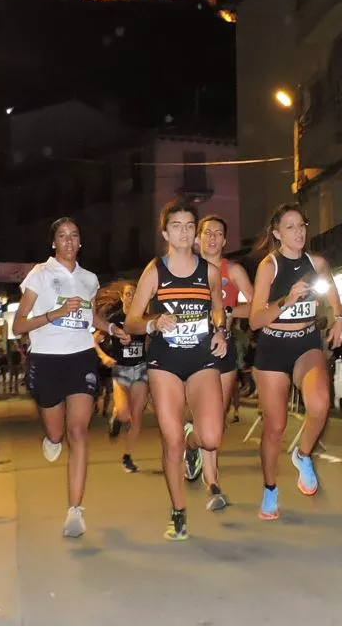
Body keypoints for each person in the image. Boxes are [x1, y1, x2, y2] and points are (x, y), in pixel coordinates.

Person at [124, 201, 230, 540]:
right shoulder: (155, 271)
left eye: (189, 226)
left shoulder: (209, 272)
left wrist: (220, 332)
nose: (183, 232)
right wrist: (153, 321)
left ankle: (193, 443)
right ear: (165, 233)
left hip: (201, 359)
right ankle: (178, 511)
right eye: (176, 226)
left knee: (211, 437)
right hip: (165, 363)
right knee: (171, 442)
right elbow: (131, 321)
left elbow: (218, 310)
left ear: (195, 233)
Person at [11, 217, 121, 538]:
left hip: (81, 357)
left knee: (79, 431)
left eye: (74, 235)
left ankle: (75, 510)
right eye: (62, 236)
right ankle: (52, 438)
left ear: (80, 242)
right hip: (46, 359)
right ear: (54, 243)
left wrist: (111, 328)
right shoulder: (40, 274)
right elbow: (18, 325)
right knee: (58, 433)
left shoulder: (89, 279)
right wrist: (54, 314)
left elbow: (91, 316)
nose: (69, 241)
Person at [247, 204, 342, 520]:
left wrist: (340, 318)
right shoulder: (269, 266)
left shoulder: (317, 263)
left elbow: (332, 294)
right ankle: (270, 490)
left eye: (301, 225)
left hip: (306, 342)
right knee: (275, 427)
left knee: (320, 404)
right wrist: (286, 300)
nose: (298, 232)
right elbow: (255, 320)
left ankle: (303, 455)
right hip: (273, 346)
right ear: (277, 233)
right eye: (290, 227)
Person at [195, 214, 255, 511]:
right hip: (191, 347)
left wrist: (229, 310)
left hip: (222, 346)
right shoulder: (186, 268)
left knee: (215, 416)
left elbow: (256, 306)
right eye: (207, 233)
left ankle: (212, 482)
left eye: (218, 233)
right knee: (198, 416)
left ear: (225, 240)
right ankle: (194, 447)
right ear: (198, 238)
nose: (212, 238)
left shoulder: (233, 270)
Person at [93, 283, 149, 472]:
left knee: (136, 418)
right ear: (122, 297)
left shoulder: (142, 318)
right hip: (121, 370)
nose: (131, 297)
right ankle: (117, 416)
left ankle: (127, 456)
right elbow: (94, 340)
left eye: (134, 294)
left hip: (140, 369)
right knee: (125, 414)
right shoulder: (115, 319)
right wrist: (104, 357)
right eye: (128, 294)